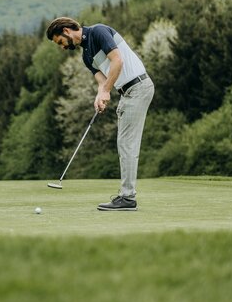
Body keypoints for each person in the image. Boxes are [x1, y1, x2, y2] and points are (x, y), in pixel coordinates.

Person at [46, 17, 155, 211]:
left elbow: (117, 60)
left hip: (138, 86)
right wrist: (100, 95)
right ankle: (127, 196)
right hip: (127, 92)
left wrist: (106, 91)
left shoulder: (98, 31)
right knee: (123, 143)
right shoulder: (86, 56)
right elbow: (101, 81)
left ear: (66, 31)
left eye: (60, 42)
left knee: (127, 143)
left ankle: (128, 198)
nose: (62, 47)